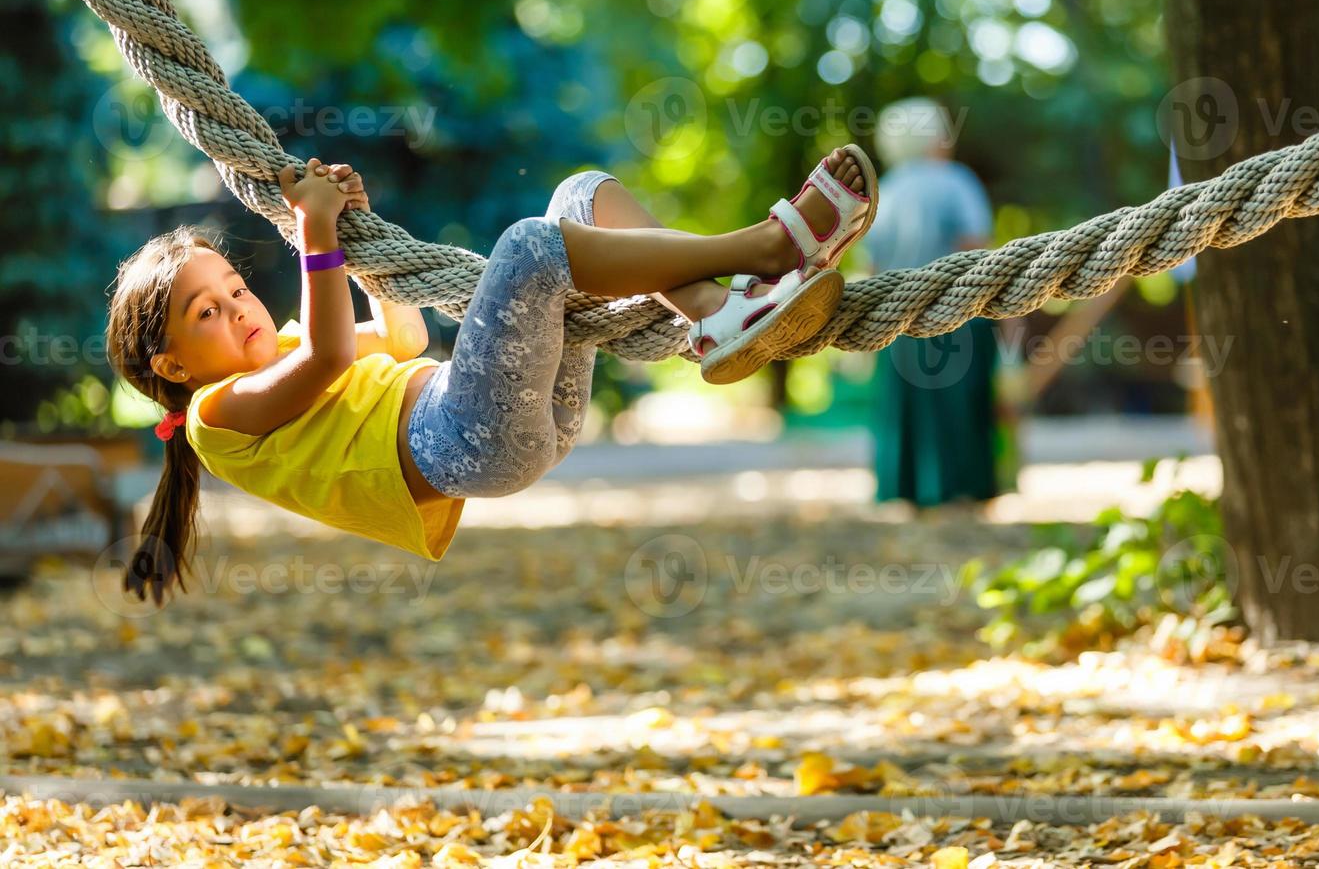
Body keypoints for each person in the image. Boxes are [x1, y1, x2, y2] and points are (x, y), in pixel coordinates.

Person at [106, 147, 878, 606]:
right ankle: (762, 249)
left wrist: (358, 238)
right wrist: (313, 229)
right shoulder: (216, 417)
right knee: (531, 247)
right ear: (170, 364)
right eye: (206, 312)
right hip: (464, 440)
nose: (237, 308)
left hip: (518, 421)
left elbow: (403, 334)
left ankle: (716, 315)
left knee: (581, 194)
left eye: (234, 290)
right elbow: (333, 355)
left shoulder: (278, 348)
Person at [862, 98, 1000, 509]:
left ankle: (904, 489)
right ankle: (965, 490)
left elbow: (872, 265)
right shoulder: (956, 182)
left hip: (896, 322)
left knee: (904, 411)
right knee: (959, 410)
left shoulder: (881, 193)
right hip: (959, 316)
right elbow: (977, 248)